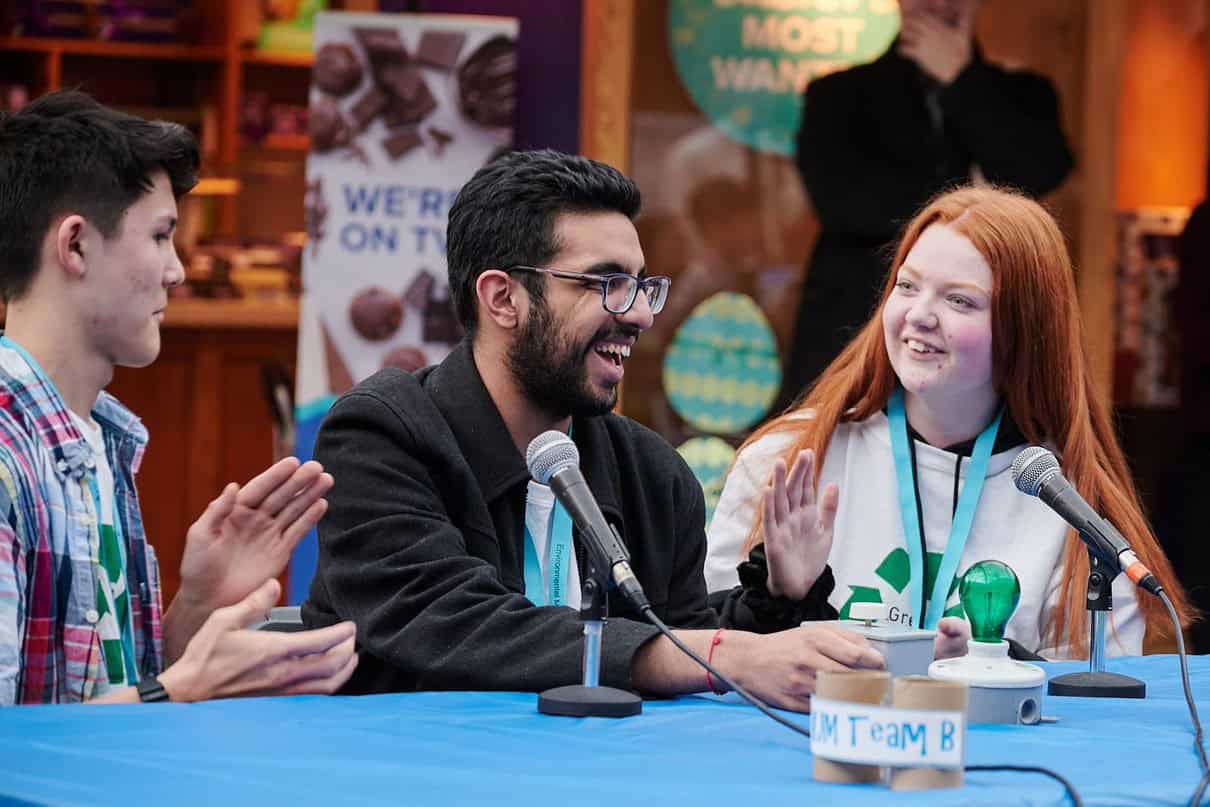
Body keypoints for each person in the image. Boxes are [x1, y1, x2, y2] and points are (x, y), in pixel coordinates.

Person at [303, 149, 884, 712]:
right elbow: (449, 622)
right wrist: (723, 655)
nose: (639, 315)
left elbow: (681, 646)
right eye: (605, 283)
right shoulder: (381, 436)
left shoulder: (652, 475)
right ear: (502, 298)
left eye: (641, 286)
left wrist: (781, 600)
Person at [706, 186, 1192, 659]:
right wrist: (784, 599)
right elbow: (706, 658)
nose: (919, 315)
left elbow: (1093, 701)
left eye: (960, 300)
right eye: (907, 286)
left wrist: (990, 665)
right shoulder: (787, 459)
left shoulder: (1073, 505)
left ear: (1023, 330)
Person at [0, 90, 359, 705]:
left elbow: (105, 698)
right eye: (161, 236)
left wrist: (196, 607)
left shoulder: (97, 439)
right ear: (76, 245)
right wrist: (183, 689)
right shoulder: (12, 452)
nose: (178, 270)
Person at [778, 0, 1074, 409]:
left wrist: (962, 78)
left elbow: (1037, 173)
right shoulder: (838, 94)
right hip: (854, 334)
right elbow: (843, 201)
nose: (939, 3)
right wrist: (977, 197)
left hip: (987, 346)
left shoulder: (1025, 95)